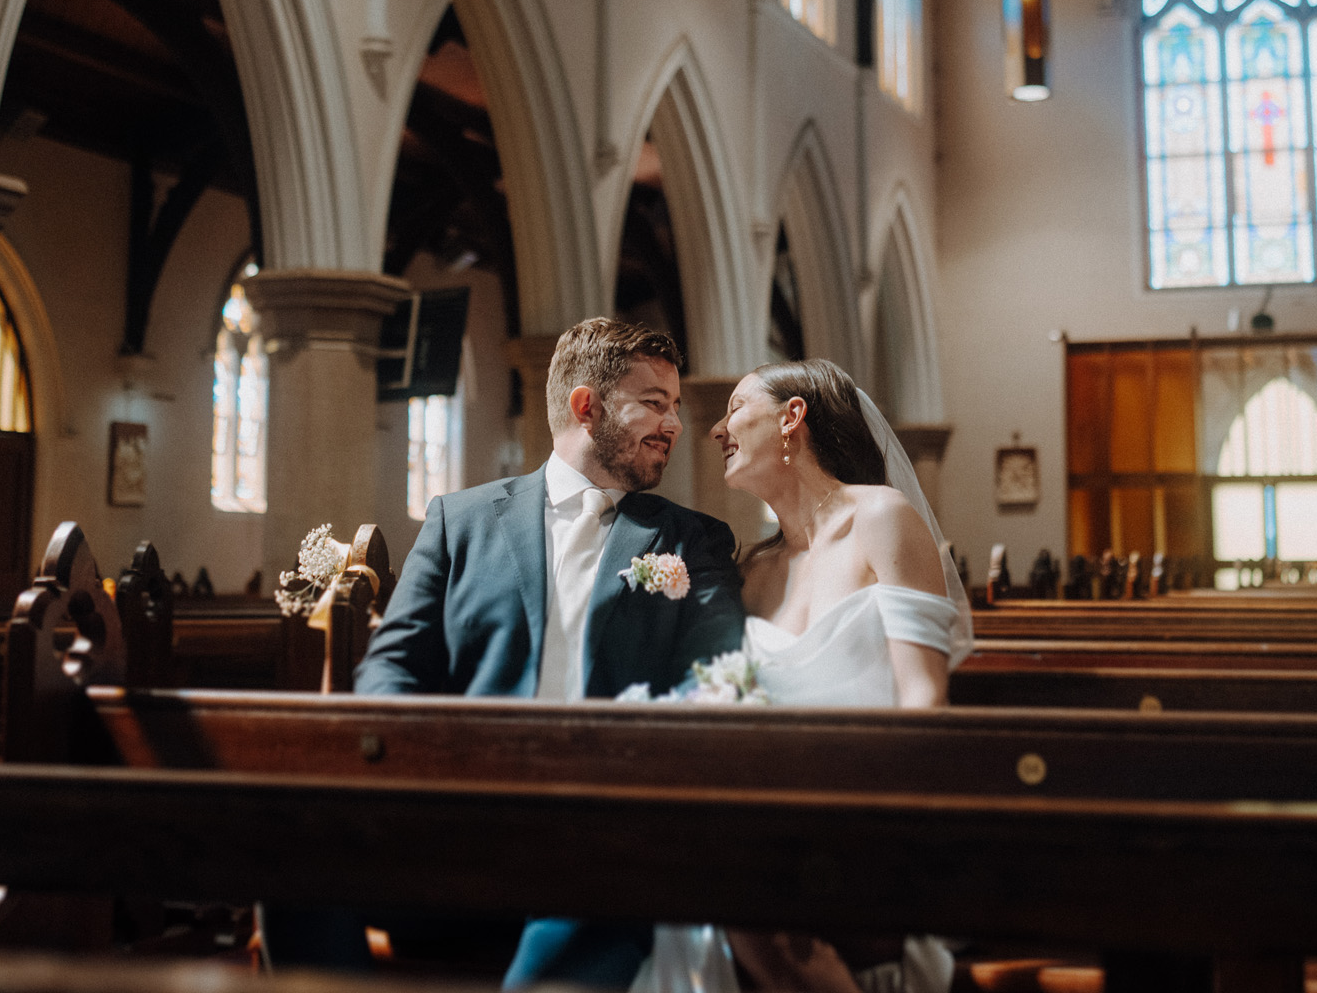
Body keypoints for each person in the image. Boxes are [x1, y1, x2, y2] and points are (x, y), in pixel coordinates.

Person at [355, 317, 746, 989]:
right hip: (462, 822)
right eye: (654, 402)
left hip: (605, 832)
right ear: (585, 406)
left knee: (604, 888)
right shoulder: (459, 520)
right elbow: (390, 664)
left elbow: (712, 679)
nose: (674, 424)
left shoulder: (695, 542)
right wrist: (425, 774)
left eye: (675, 406)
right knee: (282, 869)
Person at [631, 358, 972, 993]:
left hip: (871, 807)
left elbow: (925, 697)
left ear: (793, 418)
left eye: (735, 407)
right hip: (767, 813)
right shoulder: (753, 572)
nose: (715, 428)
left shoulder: (881, 518)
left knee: (728, 885)